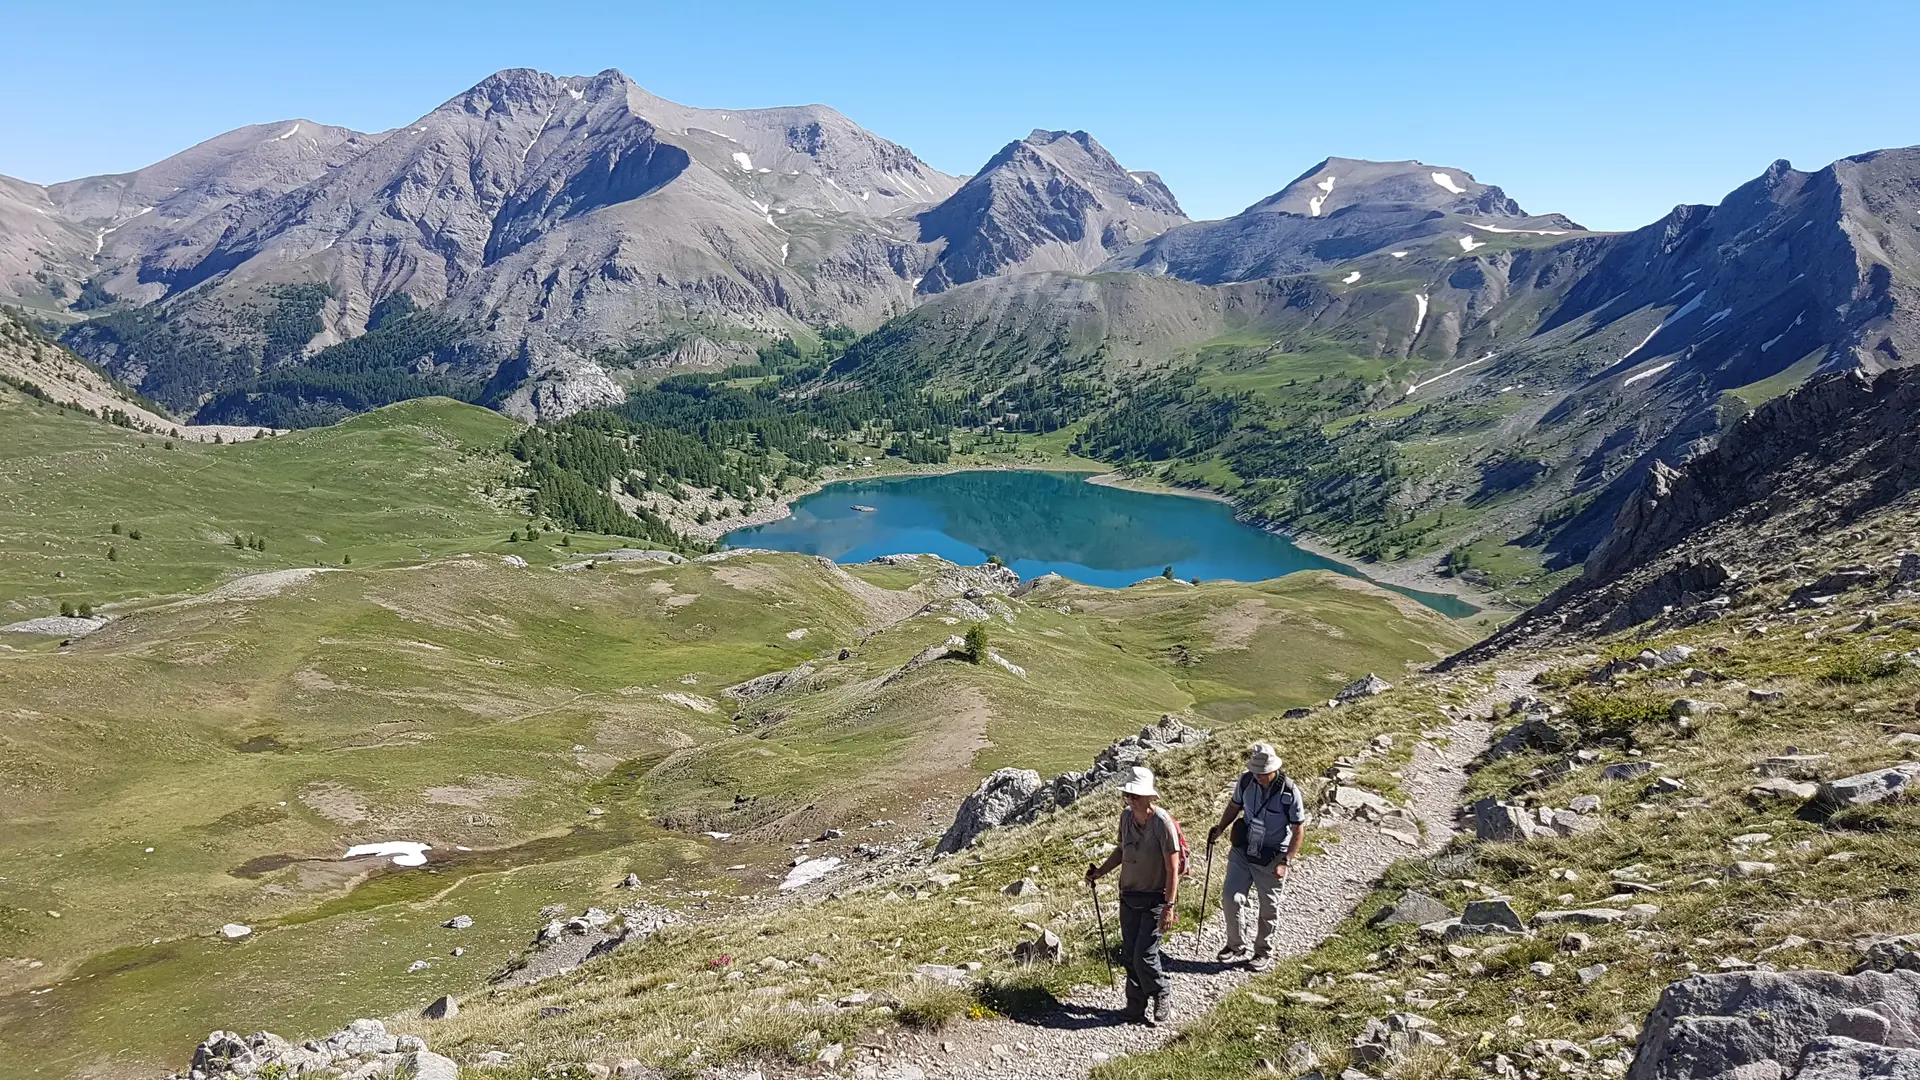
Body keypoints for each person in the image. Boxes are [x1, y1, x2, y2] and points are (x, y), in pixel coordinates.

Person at [1086, 765, 1180, 1026]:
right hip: (1129, 896)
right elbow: (1121, 851)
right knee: (1129, 953)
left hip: (1154, 899)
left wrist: (1169, 907)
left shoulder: (1163, 824)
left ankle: (1161, 991)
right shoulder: (1126, 817)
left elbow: (1173, 869)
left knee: (1144, 954)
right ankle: (1135, 1006)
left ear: (1150, 797)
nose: (1131, 799)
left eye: (1136, 795)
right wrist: (1100, 872)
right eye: (1129, 794)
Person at [1206, 742, 1305, 967]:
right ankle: (1235, 945)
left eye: (1262, 773)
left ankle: (1262, 951)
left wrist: (1286, 862)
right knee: (1231, 898)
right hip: (1244, 850)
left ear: (1274, 770)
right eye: (1255, 771)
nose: (1258, 776)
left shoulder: (1289, 791)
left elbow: (1298, 828)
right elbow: (1234, 806)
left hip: (1272, 856)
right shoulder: (1246, 780)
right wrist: (1220, 828)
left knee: (1268, 907)